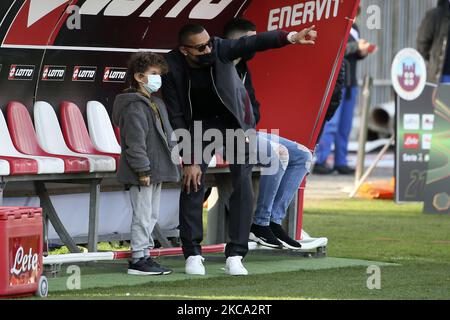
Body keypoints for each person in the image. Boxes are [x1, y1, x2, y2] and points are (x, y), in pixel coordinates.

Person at [162, 23, 317, 276]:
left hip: (233, 122)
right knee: (192, 182)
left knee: (243, 183)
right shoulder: (171, 66)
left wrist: (289, 37)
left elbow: (252, 43)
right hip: (198, 127)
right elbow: (177, 115)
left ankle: (236, 254)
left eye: (209, 42)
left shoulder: (220, 48)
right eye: (201, 47)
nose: (209, 48)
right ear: (184, 50)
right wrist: (188, 158)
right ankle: (192, 254)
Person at [222, 18, 313, 250]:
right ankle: (259, 224)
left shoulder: (242, 66)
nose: (255, 46)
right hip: (219, 135)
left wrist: (250, 125)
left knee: (303, 154)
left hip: (247, 133)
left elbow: (253, 105)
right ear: (236, 41)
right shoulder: (218, 63)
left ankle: (272, 220)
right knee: (279, 153)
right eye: (252, 40)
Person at [112, 52, 181, 276]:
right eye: (153, 74)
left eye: (159, 74)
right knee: (142, 215)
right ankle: (138, 259)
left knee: (151, 215)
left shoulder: (155, 103)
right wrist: (142, 170)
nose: (157, 79)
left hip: (157, 170)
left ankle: (145, 255)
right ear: (140, 77)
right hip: (143, 172)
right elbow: (135, 143)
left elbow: (166, 135)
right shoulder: (134, 106)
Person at [313, 6, 373, 175]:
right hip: (337, 81)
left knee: (345, 126)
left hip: (351, 80)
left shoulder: (354, 28)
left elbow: (353, 53)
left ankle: (341, 161)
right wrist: (356, 46)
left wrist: (362, 51)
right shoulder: (337, 25)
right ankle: (321, 160)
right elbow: (339, 49)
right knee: (332, 123)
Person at [417, 0, 450, 84]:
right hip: (444, 77)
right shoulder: (434, 16)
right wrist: (434, 58)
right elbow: (422, 44)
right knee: (444, 97)